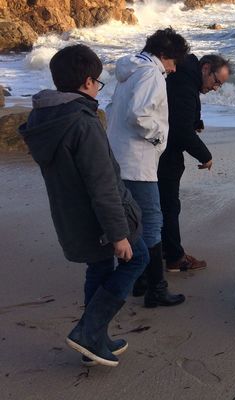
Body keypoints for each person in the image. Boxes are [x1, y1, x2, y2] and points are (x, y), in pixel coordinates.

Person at [19, 44, 149, 367]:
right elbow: (102, 186)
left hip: (72, 218)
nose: (98, 90)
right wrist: (118, 233)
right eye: (99, 83)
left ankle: (94, 339)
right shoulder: (83, 123)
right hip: (98, 221)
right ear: (89, 82)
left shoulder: (47, 118)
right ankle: (89, 331)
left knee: (100, 268)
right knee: (138, 257)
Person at [106, 28, 190, 308]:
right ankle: (156, 289)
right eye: (174, 62)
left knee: (133, 221)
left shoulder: (131, 71)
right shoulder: (151, 73)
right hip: (137, 161)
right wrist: (158, 137)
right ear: (164, 56)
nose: (174, 69)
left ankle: (140, 281)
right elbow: (139, 115)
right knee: (152, 223)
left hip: (119, 157)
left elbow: (117, 110)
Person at [157, 54, 233, 272]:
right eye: (216, 81)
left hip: (159, 148)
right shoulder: (184, 85)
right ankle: (174, 257)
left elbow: (181, 111)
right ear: (206, 68)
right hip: (164, 151)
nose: (216, 88)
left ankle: (163, 248)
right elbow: (180, 130)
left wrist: (195, 121)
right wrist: (205, 156)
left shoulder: (185, 77)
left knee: (163, 204)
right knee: (169, 205)